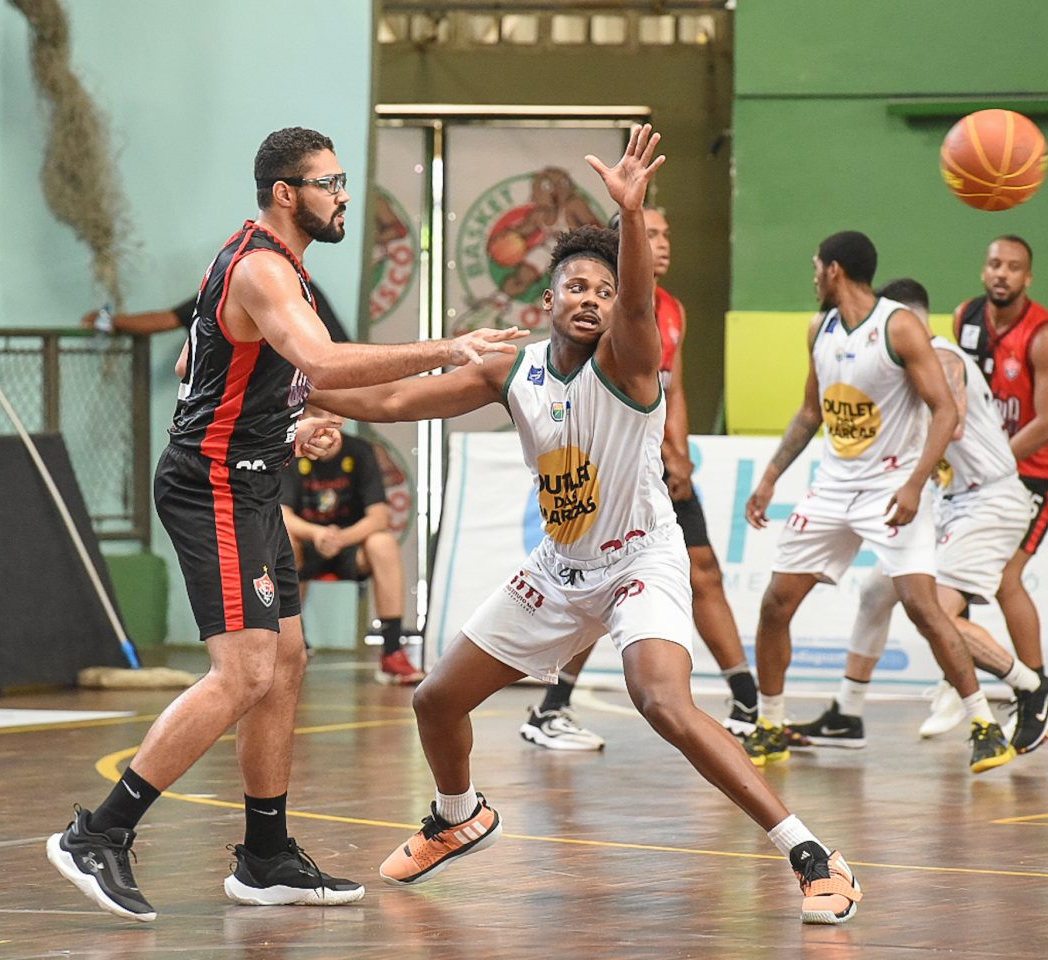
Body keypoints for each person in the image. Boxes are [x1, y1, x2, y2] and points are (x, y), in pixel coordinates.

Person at [312, 125, 862, 925]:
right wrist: (295, 388)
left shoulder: (630, 361)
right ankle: (458, 815)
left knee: (661, 701)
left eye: (603, 291)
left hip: (640, 559)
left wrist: (630, 214)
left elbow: (638, 300)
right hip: (561, 567)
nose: (592, 299)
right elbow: (394, 400)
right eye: (576, 286)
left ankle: (811, 854)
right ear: (548, 300)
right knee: (435, 701)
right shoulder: (514, 370)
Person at [46, 126, 523, 922]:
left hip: (253, 482)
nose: (343, 195)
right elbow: (325, 363)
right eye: (329, 183)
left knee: (287, 661)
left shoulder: (272, 265)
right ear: (284, 193)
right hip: (215, 488)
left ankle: (266, 857)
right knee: (244, 674)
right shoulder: (263, 267)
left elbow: (199, 364)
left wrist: (281, 415)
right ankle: (99, 833)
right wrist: (449, 348)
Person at [741, 232, 1014, 776]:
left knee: (923, 607)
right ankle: (769, 724)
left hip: (891, 489)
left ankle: (984, 724)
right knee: (776, 604)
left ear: (835, 270)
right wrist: (770, 477)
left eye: (817, 267)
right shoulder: (819, 328)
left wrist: (914, 483)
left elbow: (944, 411)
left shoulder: (898, 326)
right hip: (833, 488)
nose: (813, 276)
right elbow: (811, 412)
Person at [785, 279, 1048, 754]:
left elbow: (951, 419)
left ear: (907, 320)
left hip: (988, 502)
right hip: (949, 500)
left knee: (933, 612)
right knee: (876, 593)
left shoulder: (943, 358)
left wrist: (907, 421)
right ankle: (847, 713)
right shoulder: (902, 360)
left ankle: (1033, 687)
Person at [518, 205, 760, 752]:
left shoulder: (671, 308)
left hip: (661, 464)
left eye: (666, 233)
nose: (664, 243)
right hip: (615, 465)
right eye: (650, 235)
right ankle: (552, 706)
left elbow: (673, 388)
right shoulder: (612, 318)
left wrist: (682, 453)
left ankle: (746, 702)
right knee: (598, 582)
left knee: (704, 571)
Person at [920, 236, 1048, 737]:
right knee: (950, 568)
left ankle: (1039, 695)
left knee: (1007, 578)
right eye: (994, 264)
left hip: (1036, 466)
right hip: (981, 468)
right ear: (983, 270)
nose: (1001, 273)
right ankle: (957, 684)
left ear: (1028, 278)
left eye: (1013, 267)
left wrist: (990, 464)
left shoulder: (1044, 334)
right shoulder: (965, 317)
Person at [281, 428, 422, 684]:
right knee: (281, 540)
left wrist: (341, 538)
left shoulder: (360, 451)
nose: (323, 427)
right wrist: (317, 534)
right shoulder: (291, 450)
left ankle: (392, 653)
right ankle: (290, 643)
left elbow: (379, 517)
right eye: (316, 417)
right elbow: (282, 514)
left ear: (340, 421)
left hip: (350, 545)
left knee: (383, 543)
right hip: (307, 542)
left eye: (331, 420)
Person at [81, 278, 350, 343]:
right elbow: (168, 319)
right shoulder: (229, 288)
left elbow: (338, 353)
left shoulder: (301, 289)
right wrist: (108, 322)